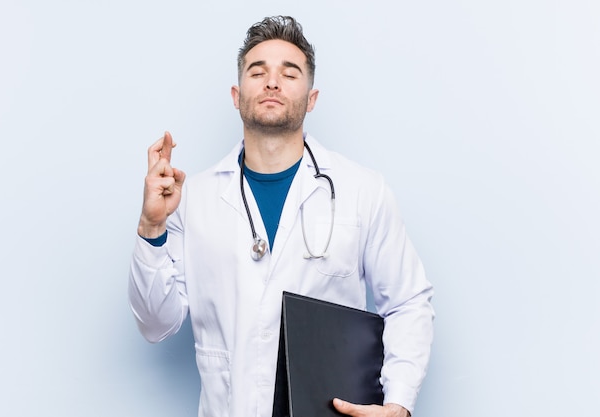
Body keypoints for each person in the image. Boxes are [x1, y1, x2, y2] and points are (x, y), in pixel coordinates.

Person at [129, 15, 434, 417]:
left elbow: (409, 302)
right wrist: (152, 227)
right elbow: (156, 324)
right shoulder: (193, 198)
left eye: (289, 74)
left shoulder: (362, 190)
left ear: (311, 99)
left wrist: (398, 405)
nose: (272, 82)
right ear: (237, 96)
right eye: (258, 72)